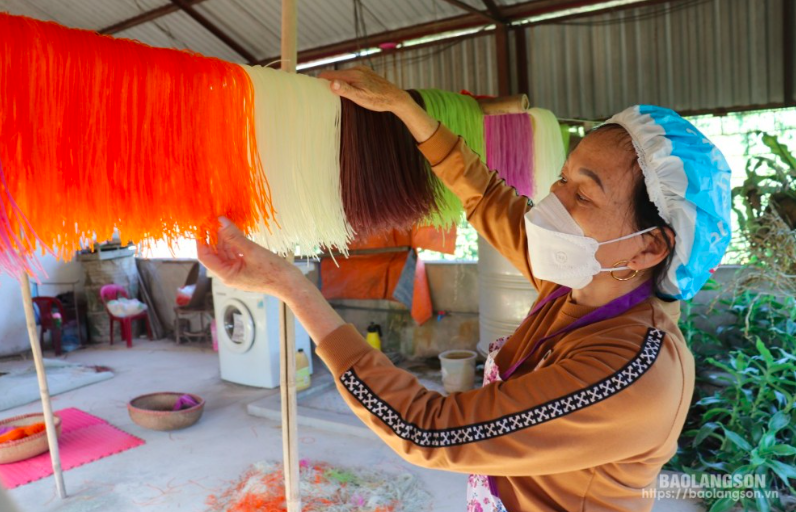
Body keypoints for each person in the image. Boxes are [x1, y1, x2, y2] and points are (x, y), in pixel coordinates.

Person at [197, 67, 732, 512]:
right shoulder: (580, 282)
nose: (552, 202)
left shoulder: (633, 374)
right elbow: (488, 199)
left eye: (583, 196)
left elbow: (427, 430)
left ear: (649, 249)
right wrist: (408, 110)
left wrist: (293, 287)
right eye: (563, 178)